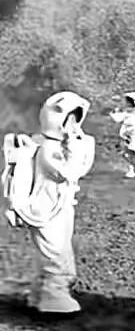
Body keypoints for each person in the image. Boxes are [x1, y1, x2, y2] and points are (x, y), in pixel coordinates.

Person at [10, 92, 95, 314]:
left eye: (76, 119)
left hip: (61, 206)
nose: (73, 125)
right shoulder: (49, 148)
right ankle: (53, 297)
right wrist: (74, 147)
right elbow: (66, 173)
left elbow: (82, 169)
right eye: (69, 119)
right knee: (54, 251)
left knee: (61, 249)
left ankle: (40, 294)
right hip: (45, 208)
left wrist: (81, 144)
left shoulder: (58, 145)